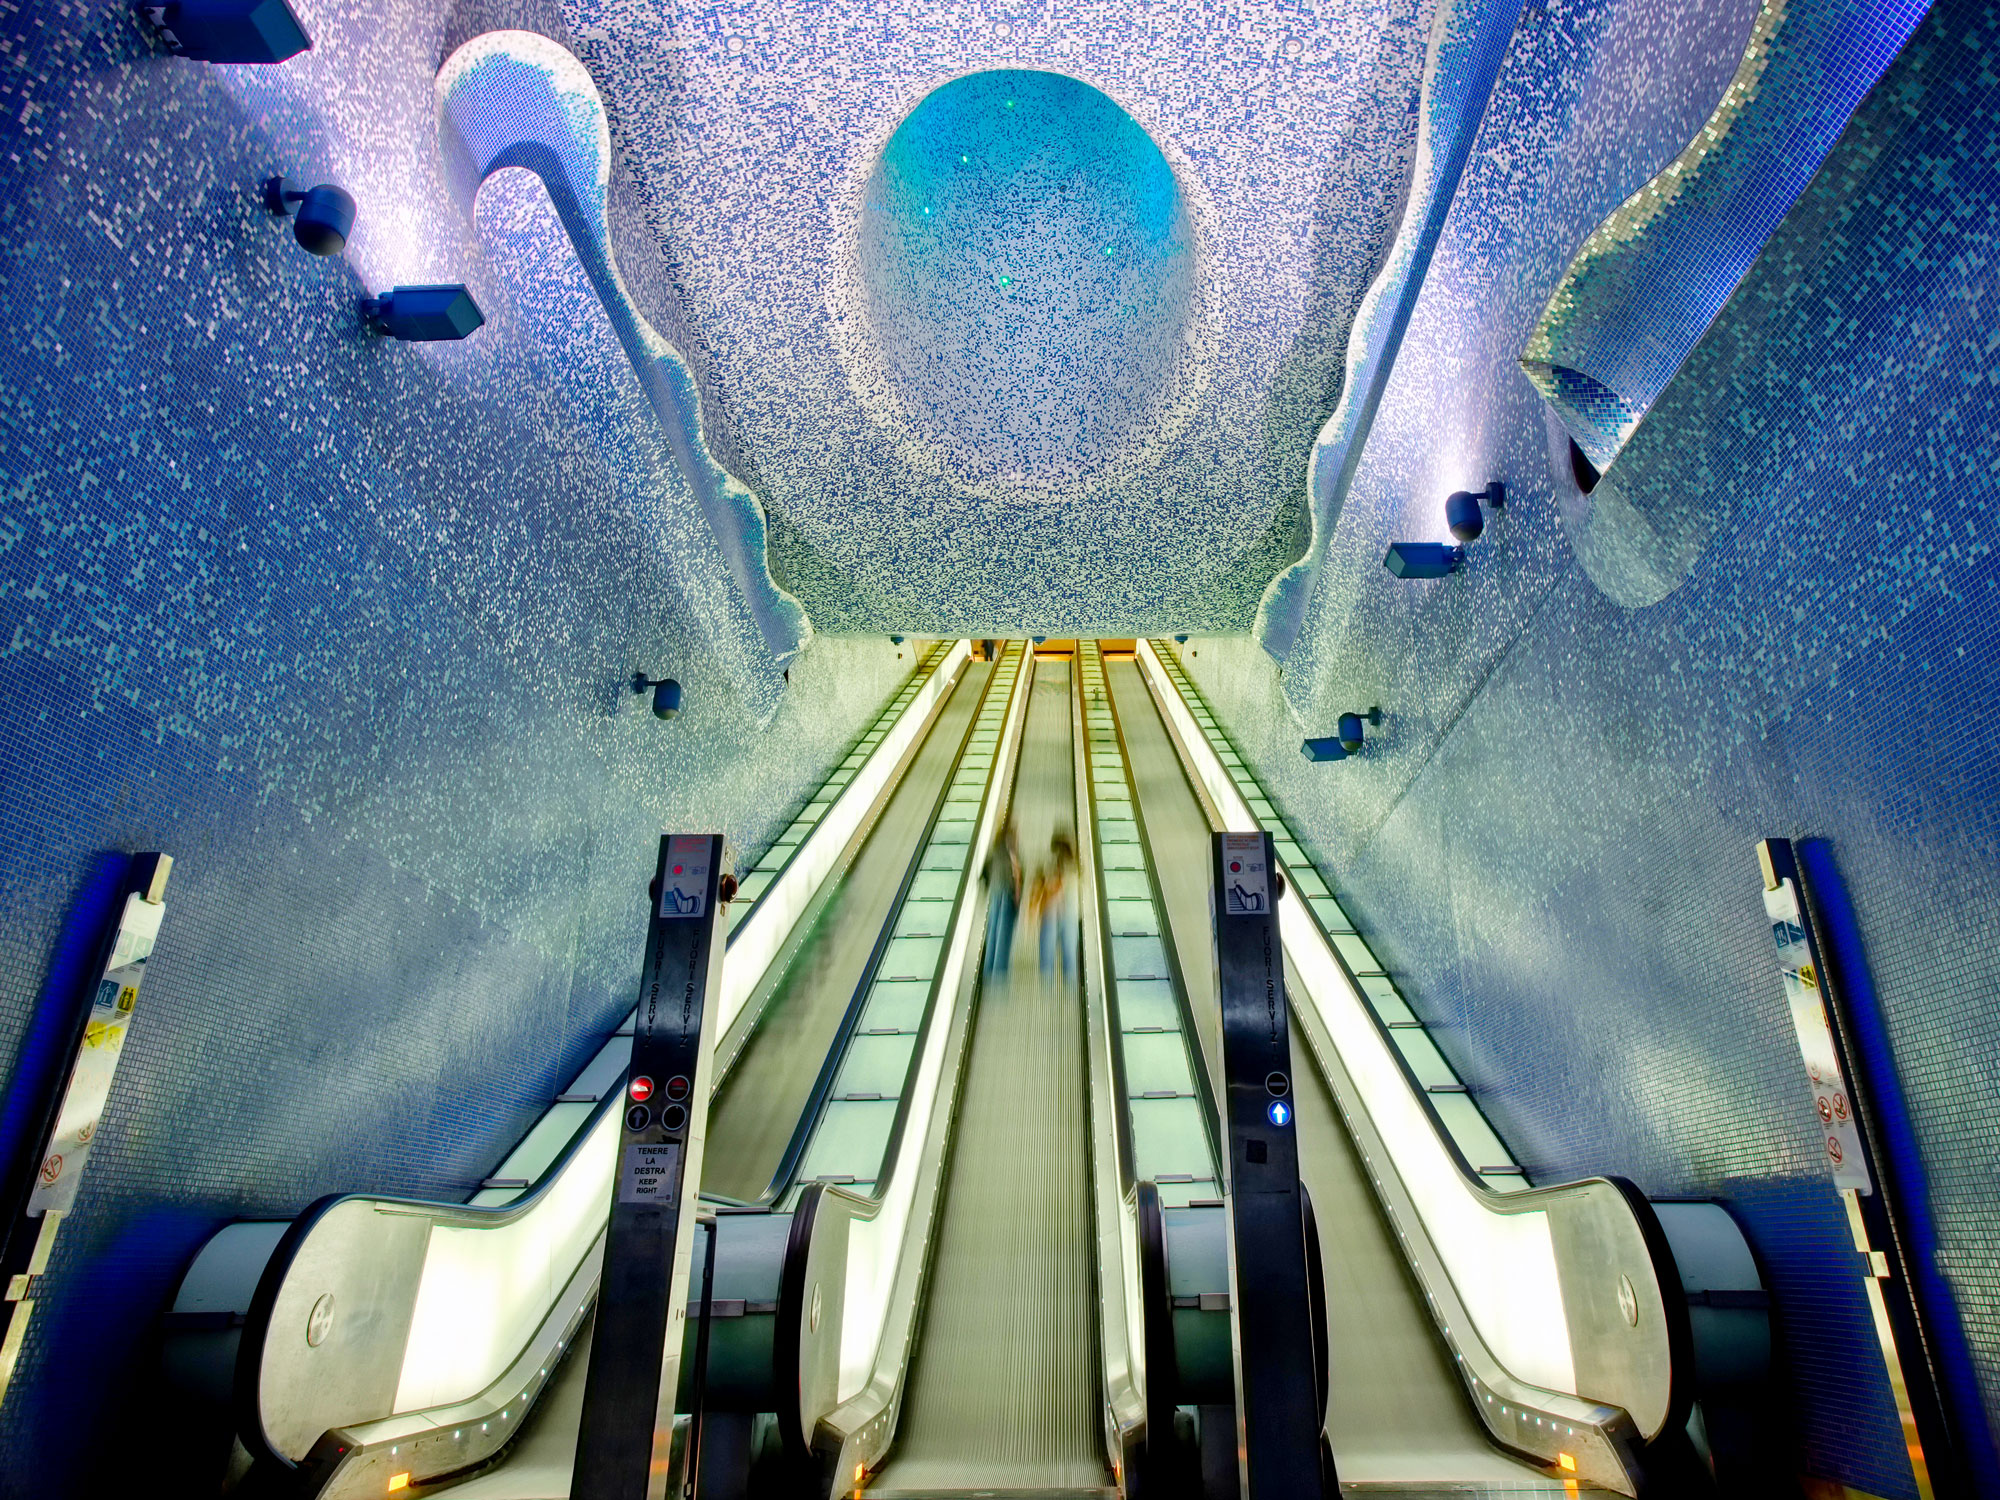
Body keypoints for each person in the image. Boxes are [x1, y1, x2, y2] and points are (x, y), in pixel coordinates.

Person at [1036, 831, 1079, 980]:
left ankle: (1047, 992)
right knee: (1069, 957)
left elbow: (1043, 887)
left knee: (1047, 958)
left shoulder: (1048, 863)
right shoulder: (1076, 866)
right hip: (1069, 914)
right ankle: (1070, 992)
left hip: (1051, 913)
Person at [982, 820, 1022, 974]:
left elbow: (986, 870)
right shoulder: (1010, 850)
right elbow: (1016, 875)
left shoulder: (994, 850)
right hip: (1006, 892)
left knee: (992, 930)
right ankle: (1000, 970)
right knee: (1004, 931)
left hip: (994, 891)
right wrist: (1017, 895)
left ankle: (988, 968)